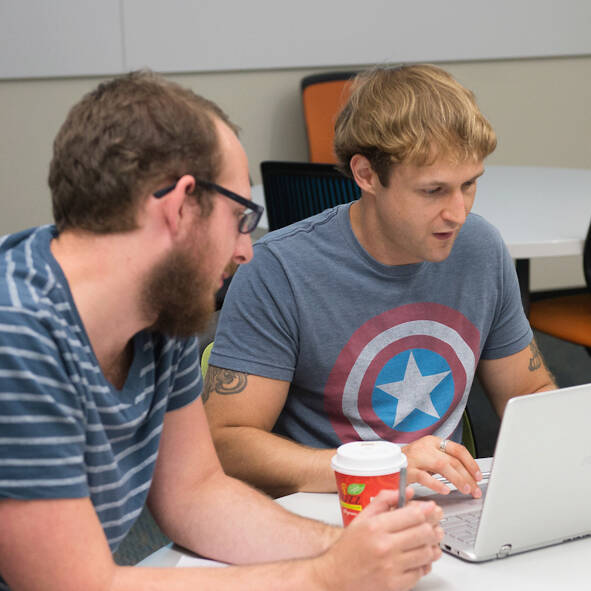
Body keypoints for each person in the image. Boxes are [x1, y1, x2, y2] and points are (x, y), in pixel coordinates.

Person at [0, 71, 444, 591]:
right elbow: (75, 585)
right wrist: (324, 577)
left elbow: (196, 495)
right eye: (240, 217)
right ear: (181, 205)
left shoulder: (158, 310)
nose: (246, 250)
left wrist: (350, 550)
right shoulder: (17, 331)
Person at [204, 64, 556, 499]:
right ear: (366, 175)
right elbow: (227, 443)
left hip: (447, 506)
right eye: (433, 191)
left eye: (468, 185)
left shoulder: (480, 248)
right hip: (331, 508)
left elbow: (528, 392)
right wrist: (384, 467)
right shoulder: (278, 271)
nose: (458, 213)